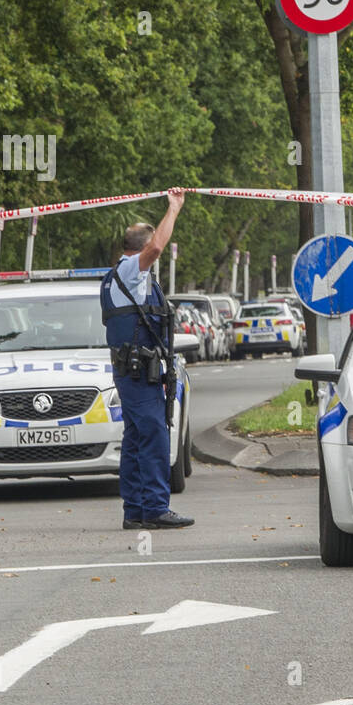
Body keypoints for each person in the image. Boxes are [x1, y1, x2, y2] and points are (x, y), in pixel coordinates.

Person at [100, 190, 193, 530]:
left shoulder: (126, 275)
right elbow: (156, 248)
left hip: (139, 370)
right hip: (137, 371)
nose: (157, 251)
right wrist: (174, 208)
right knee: (153, 435)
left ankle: (136, 510)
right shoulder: (129, 270)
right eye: (153, 244)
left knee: (138, 439)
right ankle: (154, 508)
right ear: (143, 246)